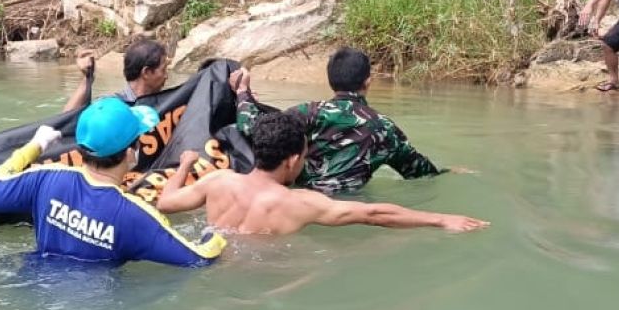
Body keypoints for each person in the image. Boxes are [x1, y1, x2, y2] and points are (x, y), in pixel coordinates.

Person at [0, 98, 225, 266]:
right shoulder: (136, 215)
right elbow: (199, 259)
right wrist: (215, 234)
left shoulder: (45, 178)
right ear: (129, 153)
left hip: (33, 285)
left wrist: (35, 145)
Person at [157, 112, 489, 235]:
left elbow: (166, 203)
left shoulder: (218, 180)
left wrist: (185, 164)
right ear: (291, 161)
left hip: (214, 254)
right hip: (266, 280)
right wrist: (440, 219)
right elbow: (373, 213)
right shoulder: (300, 203)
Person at [231, 48, 442, 196]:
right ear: (368, 82)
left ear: (330, 81)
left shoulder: (309, 112)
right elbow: (421, 174)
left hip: (295, 200)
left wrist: (243, 93)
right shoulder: (384, 128)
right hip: (348, 208)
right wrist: (450, 171)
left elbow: (252, 127)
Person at [63, 39, 169, 113]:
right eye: (163, 70)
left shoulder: (167, 105)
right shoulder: (111, 106)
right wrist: (87, 79)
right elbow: (66, 123)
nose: (166, 76)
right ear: (146, 72)